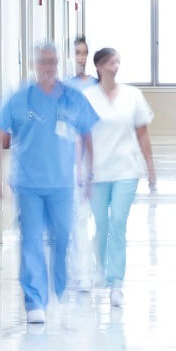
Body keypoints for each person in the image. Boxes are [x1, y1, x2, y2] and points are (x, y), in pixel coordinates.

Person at [0, 40, 98, 325]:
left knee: (63, 239)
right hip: (28, 183)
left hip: (62, 183)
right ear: (34, 65)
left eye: (52, 62)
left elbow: (87, 136)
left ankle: (58, 288)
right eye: (42, 62)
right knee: (31, 242)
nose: (48, 67)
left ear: (58, 64)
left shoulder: (72, 98)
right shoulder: (19, 97)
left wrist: (88, 175)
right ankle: (34, 300)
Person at [83, 46, 157, 307]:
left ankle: (116, 283)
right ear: (99, 66)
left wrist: (150, 167)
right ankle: (100, 270)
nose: (115, 66)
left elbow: (143, 133)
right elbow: (80, 138)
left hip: (127, 170)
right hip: (97, 172)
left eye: (117, 61)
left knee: (117, 224)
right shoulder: (87, 98)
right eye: (110, 62)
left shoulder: (132, 95)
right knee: (101, 225)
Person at [63, 35, 98, 292]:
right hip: (73, 163)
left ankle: (90, 269)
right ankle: (81, 273)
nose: (82, 58)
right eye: (77, 53)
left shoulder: (97, 87)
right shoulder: (63, 89)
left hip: (97, 160)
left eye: (84, 53)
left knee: (98, 220)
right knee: (78, 220)